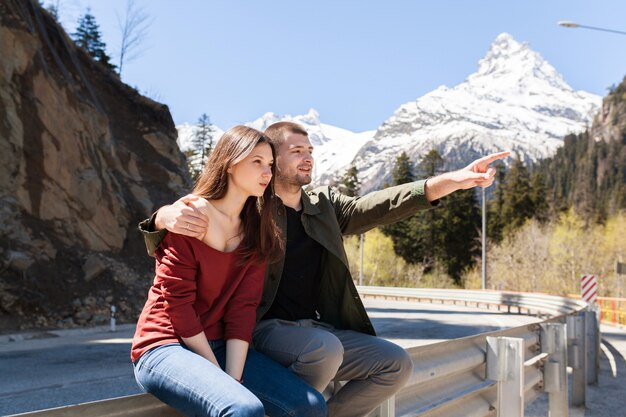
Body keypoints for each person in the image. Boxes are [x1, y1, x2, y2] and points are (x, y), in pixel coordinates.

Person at [140, 121, 510, 417]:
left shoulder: (312, 210)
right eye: (294, 151)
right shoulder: (254, 209)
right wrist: (161, 217)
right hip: (251, 332)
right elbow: (177, 278)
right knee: (310, 360)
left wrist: (454, 181)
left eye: (310, 151)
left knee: (389, 364)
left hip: (279, 332)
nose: (306, 158)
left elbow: (381, 204)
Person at [131, 125, 326, 417]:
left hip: (222, 345)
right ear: (231, 164)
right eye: (257, 162)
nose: (267, 173)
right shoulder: (189, 215)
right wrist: (217, 373)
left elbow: (242, 308)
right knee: (242, 408)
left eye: (270, 165)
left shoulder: (257, 229)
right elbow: (178, 306)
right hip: (165, 345)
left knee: (309, 406)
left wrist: (233, 376)